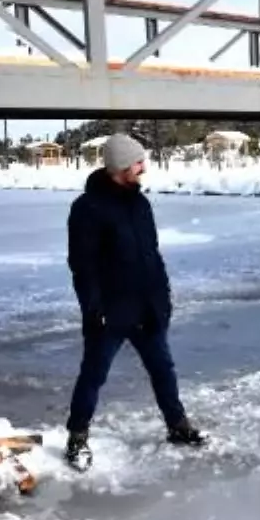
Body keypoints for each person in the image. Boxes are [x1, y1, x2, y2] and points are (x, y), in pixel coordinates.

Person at [63, 133, 205, 470]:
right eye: (138, 161)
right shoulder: (87, 208)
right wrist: (93, 310)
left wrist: (163, 297)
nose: (144, 167)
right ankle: (77, 437)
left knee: (163, 370)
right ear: (121, 166)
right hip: (109, 312)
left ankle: (177, 425)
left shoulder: (141, 204)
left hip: (147, 307)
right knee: (93, 376)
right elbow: (82, 267)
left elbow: (152, 256)